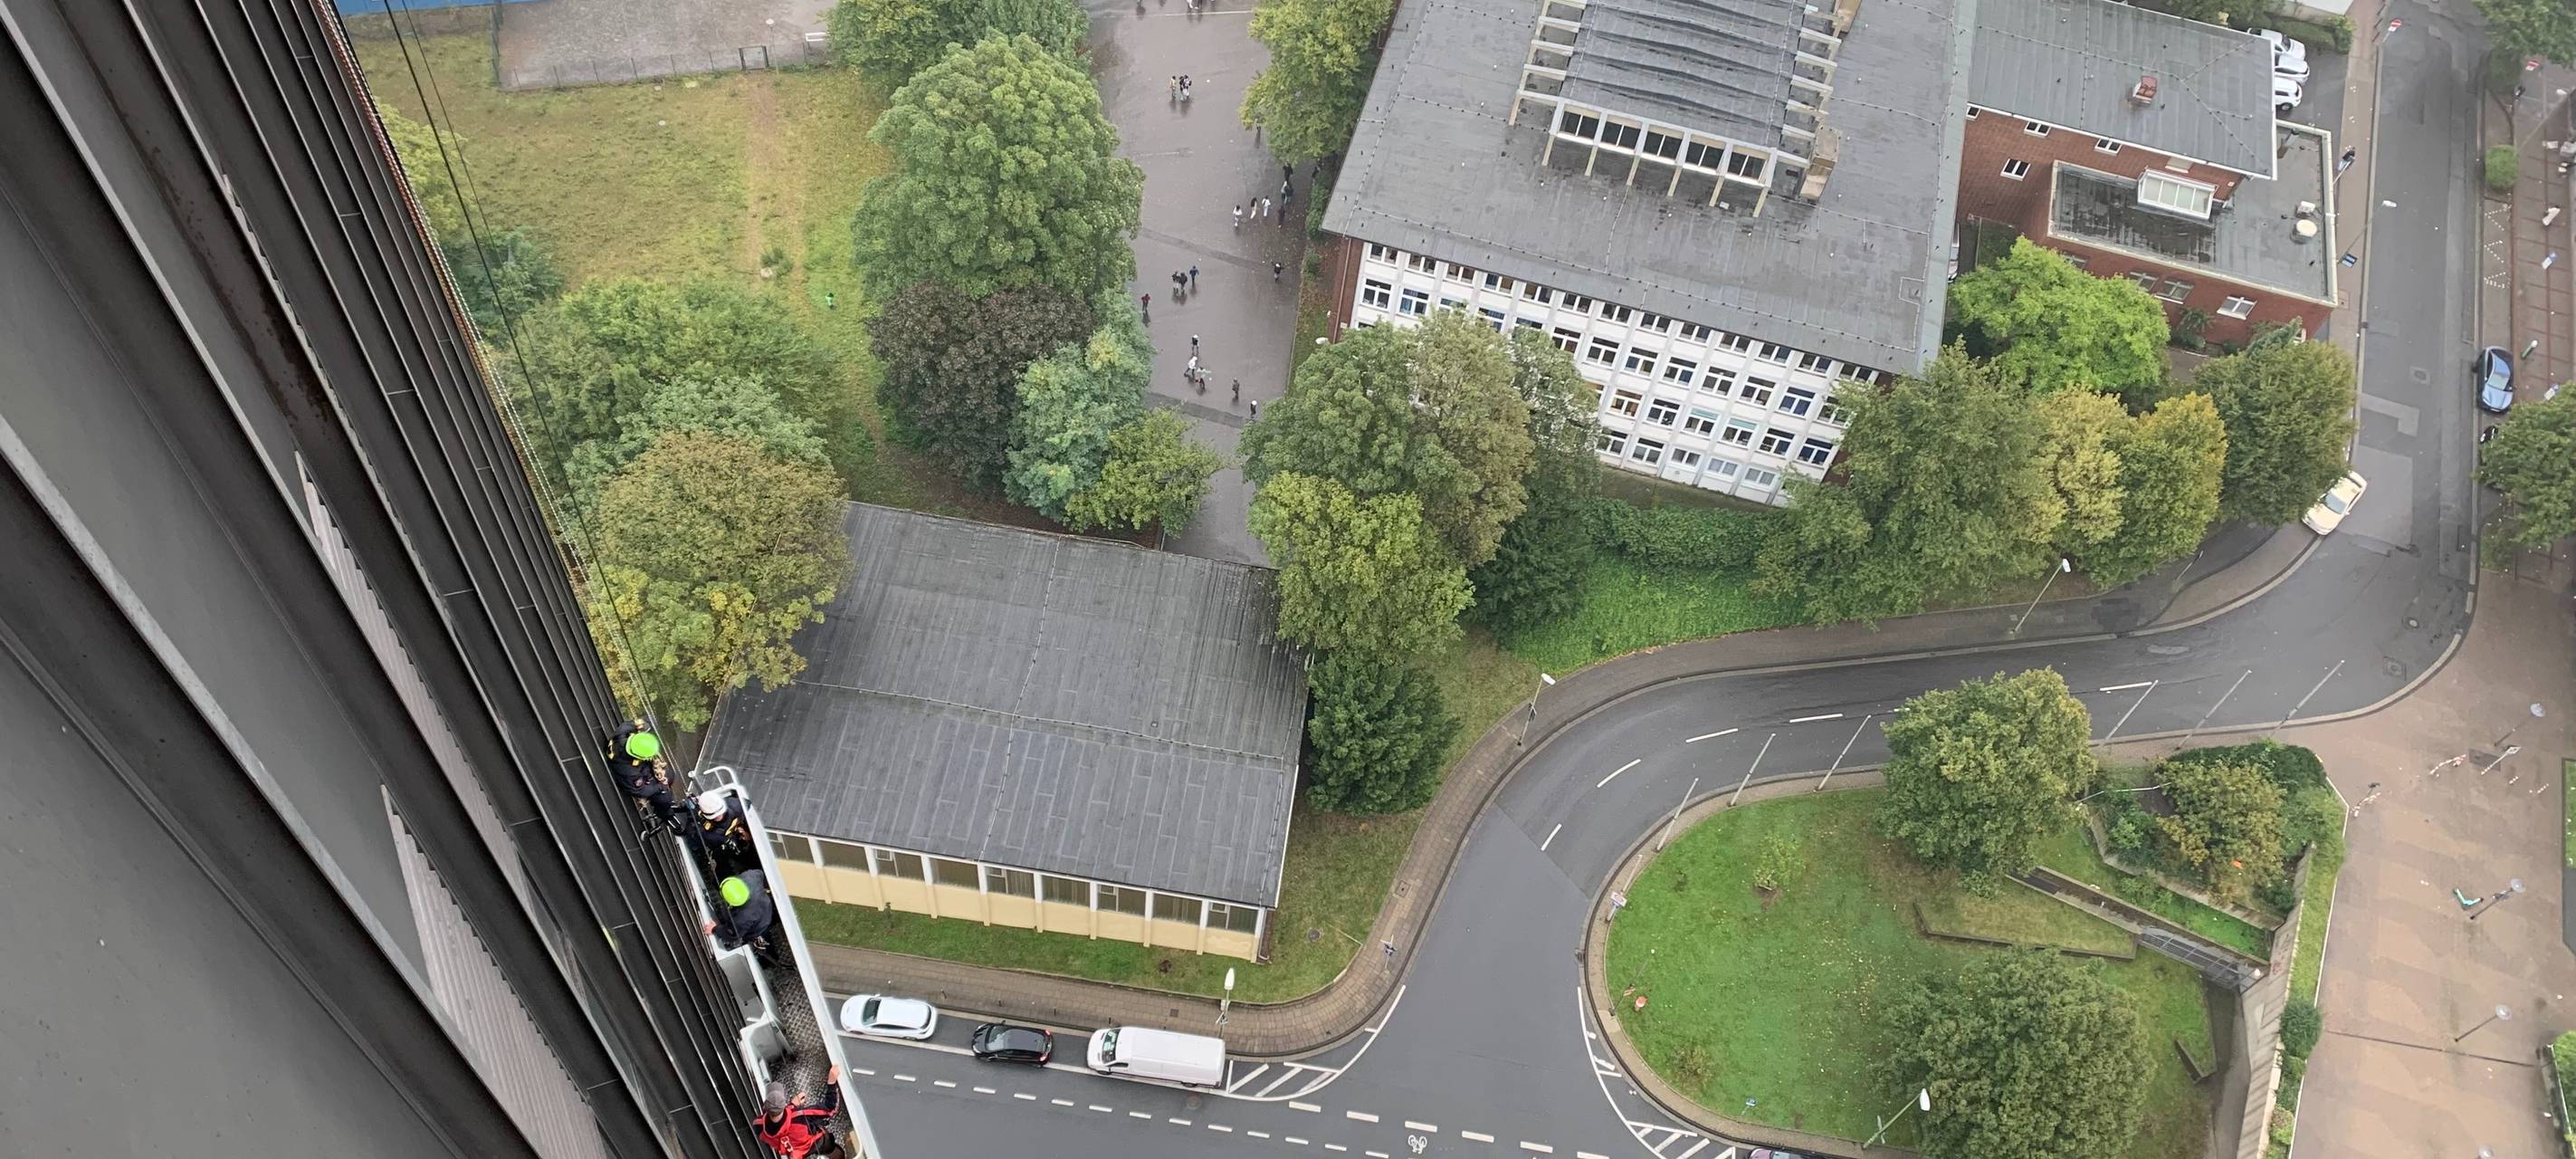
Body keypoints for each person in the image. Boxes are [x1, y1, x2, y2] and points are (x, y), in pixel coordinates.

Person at [754, 1065, 845, 1157]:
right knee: (824, 1144)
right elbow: (830, 1108)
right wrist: (832, 1081)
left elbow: (780, 1122)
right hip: (813, 1142)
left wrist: (792, 1106)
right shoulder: (799, 1118)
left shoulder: (759, 1126)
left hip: (803, 1147)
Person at [704, 868, 787, 967]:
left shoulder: (744, 917)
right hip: (765, 901)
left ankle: (769, 961)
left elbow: (732, 934)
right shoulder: (751, 876)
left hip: (762, 922)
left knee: (762, 939)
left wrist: (715, 929)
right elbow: (760, 873)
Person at [605, 720, 680, 826]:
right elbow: (641, 791)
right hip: (629, 776)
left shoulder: (623, 732)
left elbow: (633, 723)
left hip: (628, 761)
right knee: (665, 796)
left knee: (670, 774)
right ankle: (664, 814)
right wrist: (660, 786)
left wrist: (643, 725)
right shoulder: (630, 773)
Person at [689, 790, 758, 879]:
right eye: (714, 815)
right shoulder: (702, 824)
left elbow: (748, 804)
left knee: (749, 857)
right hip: (720, 846)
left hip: (735, 835)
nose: (718, 816)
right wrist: (725, 840)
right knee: (723, 866)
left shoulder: (736, 806)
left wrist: (742, 829)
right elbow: (700, 836)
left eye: (719, 812)